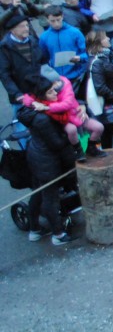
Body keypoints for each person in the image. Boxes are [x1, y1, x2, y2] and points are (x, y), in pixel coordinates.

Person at [17, 75, 78, 244]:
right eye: (51, 91)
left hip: (37, 156)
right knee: (50, 198)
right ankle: (58, 234)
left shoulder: (36, 111)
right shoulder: (43, 118)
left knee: (38, 193)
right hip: (47, 161)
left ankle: (34, 229)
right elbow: (57, 143)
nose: (55, 93)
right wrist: (69, 140)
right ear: (41, 96)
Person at [22, 71, 105, 162]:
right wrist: (33, 102)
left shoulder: (65, 86)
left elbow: (67, 104)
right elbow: (27, 98)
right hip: (64, 119)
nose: (57, 85)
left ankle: (91, 147)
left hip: (74, 114)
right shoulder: (43, 91)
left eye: (58, 81)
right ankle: (78, 150)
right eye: (54, 83)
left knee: (99, 127)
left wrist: (47, 107)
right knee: (71, 129)